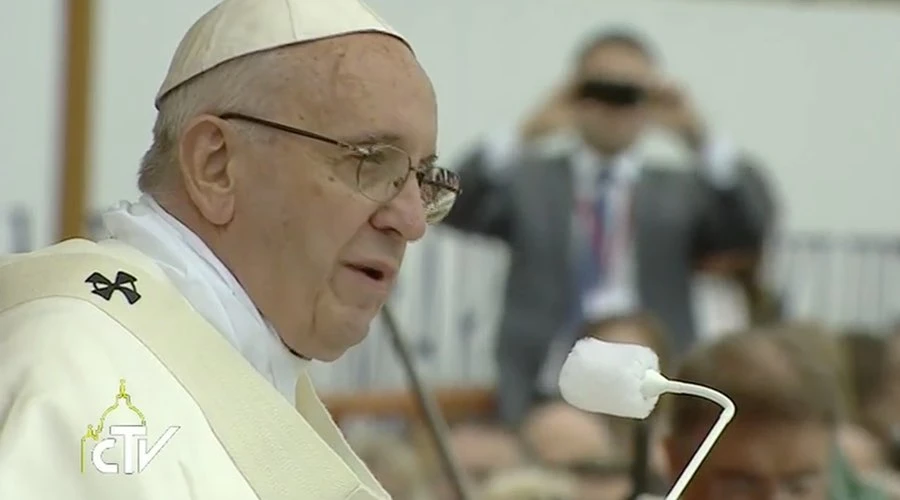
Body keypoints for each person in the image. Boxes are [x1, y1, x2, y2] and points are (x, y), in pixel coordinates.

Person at [0, 0, 459, 498]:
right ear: (215, 165)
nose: (412, 221)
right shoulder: (81, 380)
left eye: (422, 178)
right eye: (372, 162)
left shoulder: (244, 361)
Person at [443, 27, 777, 427]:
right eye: (599, 90)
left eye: (629, 93)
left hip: (651, 383)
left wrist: (700, 138)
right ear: (574, 94)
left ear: (652, 100)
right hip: (546, 384)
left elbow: (753, 226)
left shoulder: (679, 189)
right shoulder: (533, 182)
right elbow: (452, 206)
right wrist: (525, 132)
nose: (613, 106)